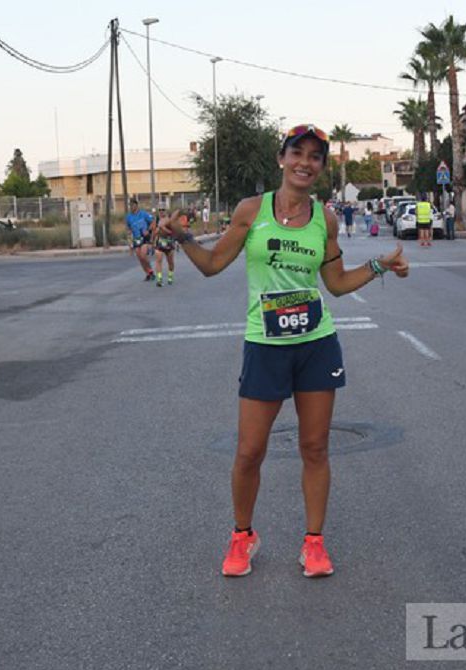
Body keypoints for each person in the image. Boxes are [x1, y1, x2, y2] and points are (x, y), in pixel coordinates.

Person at [158, 124, 408, 579]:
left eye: (315, 157)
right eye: (298, 152)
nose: (305, 163)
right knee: (250, 451)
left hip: (315, 344)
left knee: (315, 446)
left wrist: (378, 266)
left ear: (320, 167)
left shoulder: (325, 220)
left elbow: (334, 284)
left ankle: (314, 543)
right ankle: (242, 535)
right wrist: (184, 239)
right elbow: (214, 265)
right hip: (265, 345)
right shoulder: (251, 211)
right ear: (282, 159)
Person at [125, 198, 155, 281]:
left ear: (136, 205)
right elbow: (128, 230)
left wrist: (148, 230)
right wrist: (130, 244)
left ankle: (150, 270)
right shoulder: (129, 217)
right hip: (136, 238)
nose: (131, 207)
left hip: (144, 237)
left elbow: (153, 222)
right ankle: (148, 273)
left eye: (132, 205)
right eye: (130, 205)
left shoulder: (143, 214)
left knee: (143, 254)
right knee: (139, 257)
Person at [152, 209, 178, 287]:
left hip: (169, 242)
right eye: (160, 210)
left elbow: (173, 232)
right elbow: (154, 232)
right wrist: (152, 240)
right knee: (158, 260)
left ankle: (170, 276)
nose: (161, 211)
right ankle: (159, 280)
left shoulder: (170, 220)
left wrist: (163, 228)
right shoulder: (156, 220)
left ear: (166, 211)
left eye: (163, 210)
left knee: (170, 262)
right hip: (159, 242)